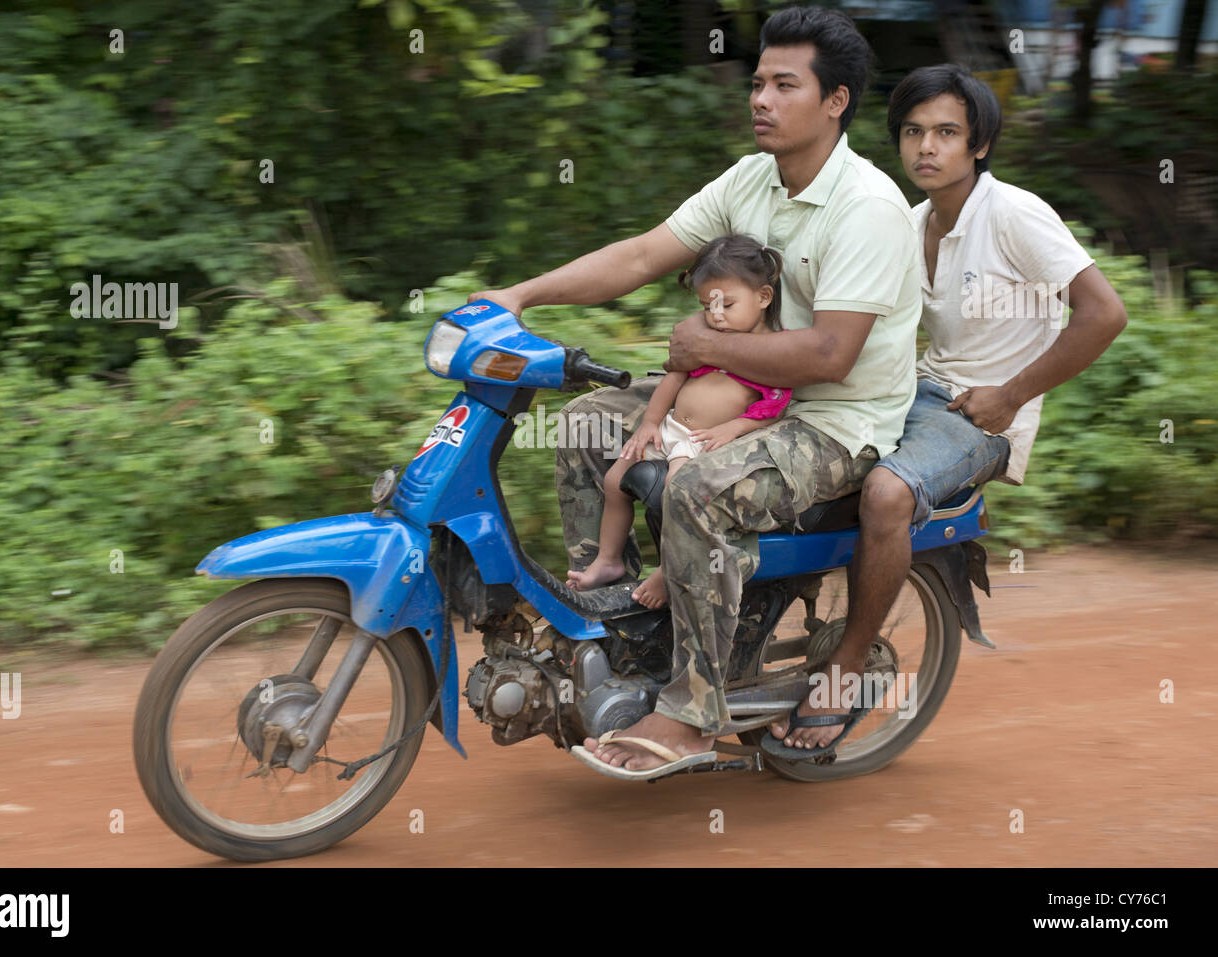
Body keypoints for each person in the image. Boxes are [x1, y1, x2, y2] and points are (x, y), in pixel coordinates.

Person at [471, 6, 923, 777]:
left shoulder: (869, 208)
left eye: (785, 85)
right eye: (757, 83)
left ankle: (693, 709)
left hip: (834, 418)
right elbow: (643, 253)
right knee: (584, 426)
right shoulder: (753, 179)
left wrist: (707, 344)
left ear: (836, 100)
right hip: (735, 390)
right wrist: (515, 297)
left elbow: (831, 353)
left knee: (697, 491)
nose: (761, 100)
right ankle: (619, 626)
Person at [765, 64, 1129, 757]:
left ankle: (847, 670)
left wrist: (1011, 394)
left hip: (980, 415)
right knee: (785, 450)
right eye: (912, 132)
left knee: (886, 491)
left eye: (946, 132)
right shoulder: (907, 221)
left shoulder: (1014, 213)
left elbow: (1104, 313)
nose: (926, 147)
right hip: (915, 391)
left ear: (979, 143)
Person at [566, 235, 792, 608]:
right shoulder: (714, 338)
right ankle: (608, 560)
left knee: (677, 488)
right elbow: (675, 377)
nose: (716, 315)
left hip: (703, 441)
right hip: (671, 429)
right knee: (613, 479)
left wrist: (733, 428)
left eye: (727, 305)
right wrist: (650, 424)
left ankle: (667, 571)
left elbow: (774, 406)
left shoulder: (769, 353)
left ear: (764, 297)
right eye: (707, 306)